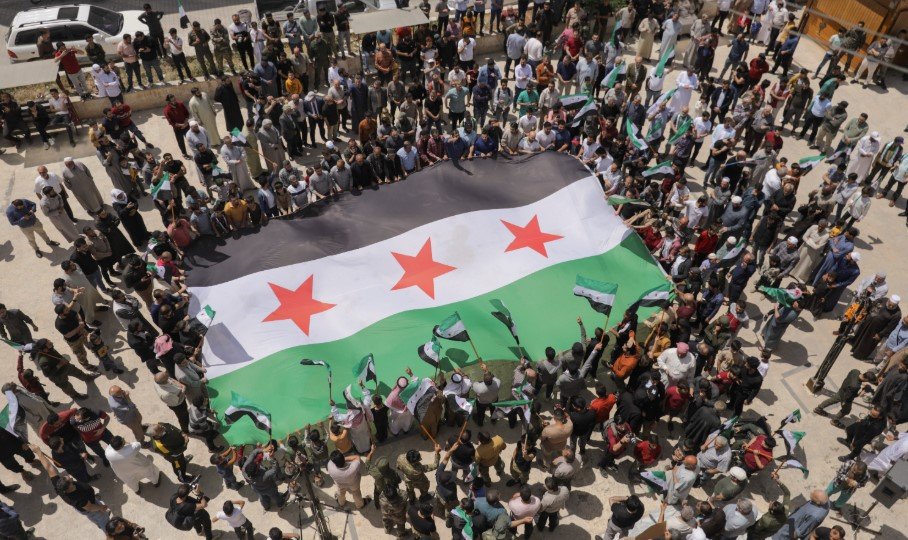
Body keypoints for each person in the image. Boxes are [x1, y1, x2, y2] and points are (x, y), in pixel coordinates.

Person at [32, 446, 110, 529]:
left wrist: (38, 452)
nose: (70, 477)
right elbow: (90, 507)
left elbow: (49, 467)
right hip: (91, 507)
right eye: (70, 479)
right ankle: (104, 525)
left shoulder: (58, 484)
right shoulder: (78, 499)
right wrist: (101, 508)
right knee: (102, 520)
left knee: (92, 517)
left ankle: (97, 522)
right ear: (69, 486)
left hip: (87, 503)